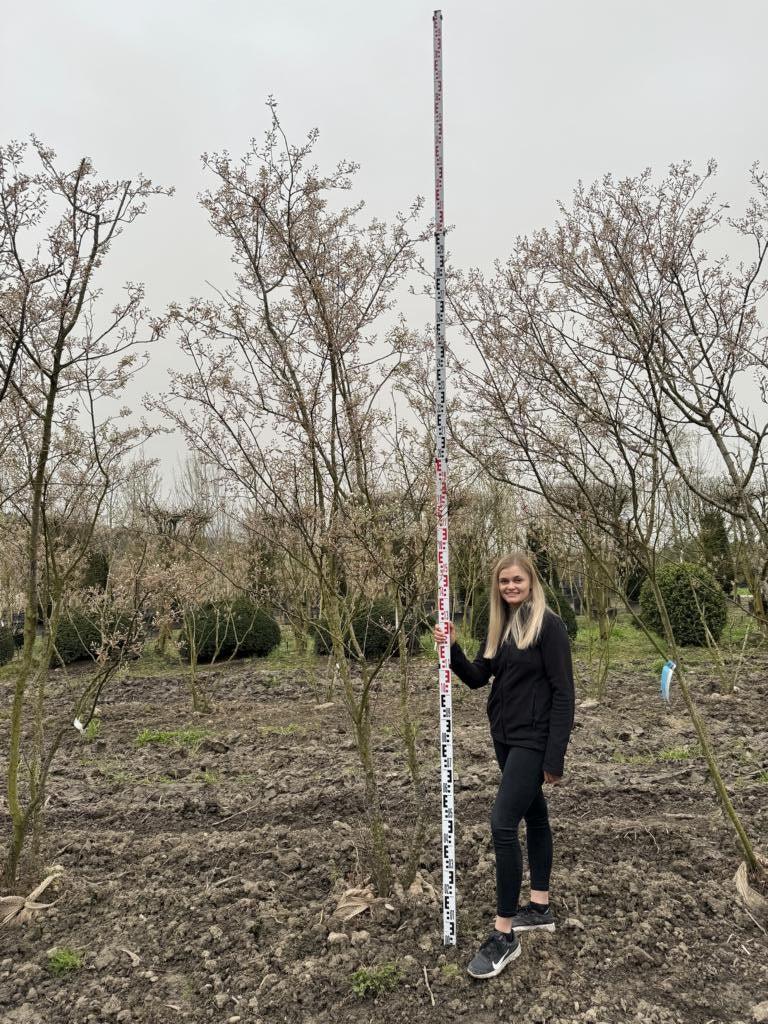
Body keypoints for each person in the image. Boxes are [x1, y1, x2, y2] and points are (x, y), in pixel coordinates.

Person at [434, 551, 575, 979]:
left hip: (534, 741)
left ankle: (504, 934)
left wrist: (554, 757)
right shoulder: (502, 625)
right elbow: (479, 676)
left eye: (517, 580)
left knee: (501, 824)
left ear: (531, 580)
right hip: (505, 737)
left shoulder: (548, 627)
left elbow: (564, 694)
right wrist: (452, 648)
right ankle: (540, 906)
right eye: (503, 582)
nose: (510, 587)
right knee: (534, 816)